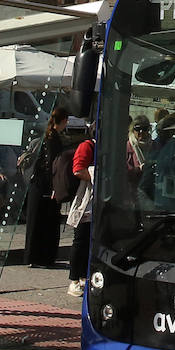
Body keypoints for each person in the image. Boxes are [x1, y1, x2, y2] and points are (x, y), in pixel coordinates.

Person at [24, 107, 68, 267]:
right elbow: (52, 164)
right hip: (47, 185)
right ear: (63, 121)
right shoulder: (54, 139)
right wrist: (55, 186)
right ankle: (45, 257)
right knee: (48, 222)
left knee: (35, 221)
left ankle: (31, 256)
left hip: (37, 184)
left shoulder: (46, 137)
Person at [67, 125, 96, 297]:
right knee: (81, 239)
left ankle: (85, 277)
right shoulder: (87, 146)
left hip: (97, 201)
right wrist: (96, 175)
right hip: (85, 200)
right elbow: (77, 169)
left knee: (91, 241)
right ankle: (74, 279)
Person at [126, 114, 152, 190]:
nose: (141, 132)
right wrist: (139, 169)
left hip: (149, 190)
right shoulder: (127, 147)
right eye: (137, 128)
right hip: (132, 191)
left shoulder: (154, 146)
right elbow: (121, 173)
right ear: (132, 130)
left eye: (144, 128)